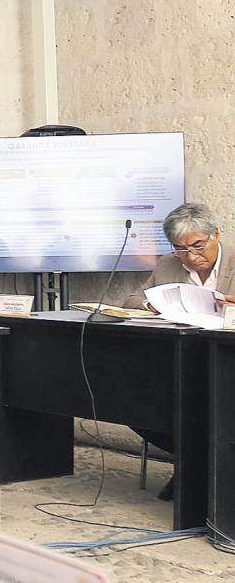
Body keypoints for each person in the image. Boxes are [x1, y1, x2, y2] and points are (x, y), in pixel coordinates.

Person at [119, 202, 233, 501]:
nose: (191, 257)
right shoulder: (169, 264)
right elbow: (131, 300)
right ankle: (193, 461)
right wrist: (151, 305)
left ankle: (197, 469)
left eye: (197, 246)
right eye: (181, 249)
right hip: (182, 360)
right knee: (135, 400)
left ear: (216, 234)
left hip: (228, 362)